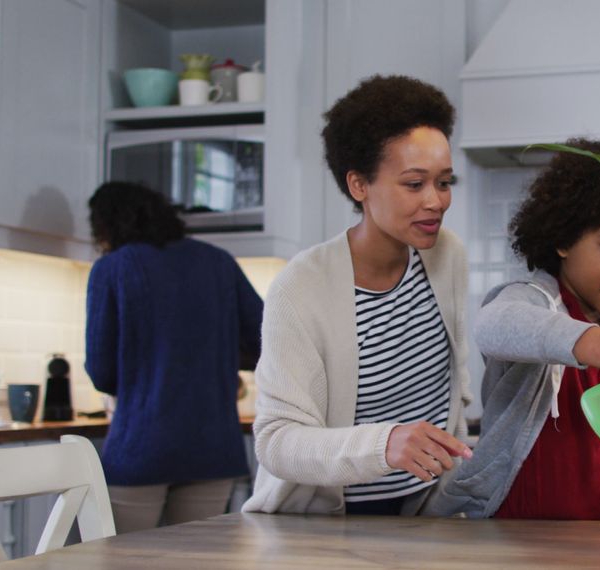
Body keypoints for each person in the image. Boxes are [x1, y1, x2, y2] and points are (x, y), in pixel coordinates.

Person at [423, 138, 600, 529]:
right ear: (564, 240)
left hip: (592, 544)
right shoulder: (532, 300)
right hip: (505, 536)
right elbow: (493, 326)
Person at [242, 74, 473, 516]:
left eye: (444, 182)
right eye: (414, 183)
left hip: (426, 516)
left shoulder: (448, 256)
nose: (436, 201)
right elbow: (277, 441)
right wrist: (384, 444)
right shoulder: (301, 287)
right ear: (359, 185)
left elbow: (453, 388)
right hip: (324, 528)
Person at [85, 181, 263, 534]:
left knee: (125, 562)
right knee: (197, 561)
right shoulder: (219, 262)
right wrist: (217, 359)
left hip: (141, 448)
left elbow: (102, 372)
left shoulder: (112, 269)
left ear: (107, 225)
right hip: (213, 447)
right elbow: (268, 340)